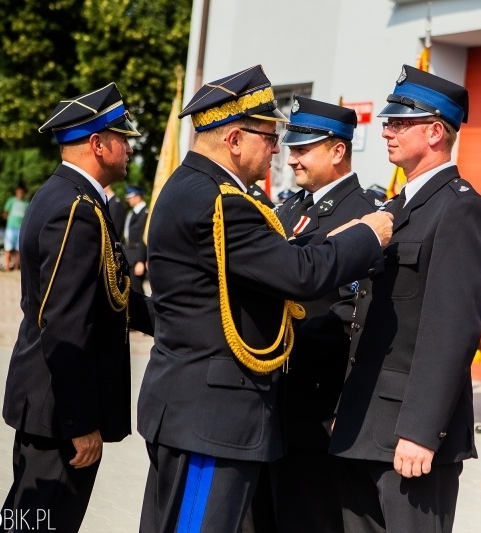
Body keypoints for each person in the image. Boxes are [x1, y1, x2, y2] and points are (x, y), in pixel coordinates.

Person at [136, 64, 392, 532]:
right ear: (234, 139)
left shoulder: (190, 186)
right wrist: (366, 236)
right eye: (269, 137)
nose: (278, 150)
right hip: (211, 417)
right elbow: (300, 274)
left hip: (196, 409)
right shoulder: (222, 201)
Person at [329, 64, 481, 533]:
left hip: (412, 436)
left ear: (435, 132)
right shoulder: (394, 207)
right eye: (388, 122)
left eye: (400, 123)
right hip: (364, 424)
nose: (387, 131)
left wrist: (422, 431)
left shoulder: (461, 209)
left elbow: (451, 332)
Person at [1, 83, 154, 531]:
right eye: (122, 139)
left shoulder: (68, 196)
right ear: (98, 144)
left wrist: (184, 322)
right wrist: (79, 420)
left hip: (53, 406)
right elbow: (65, 323)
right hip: (58, 414)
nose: (130, 149)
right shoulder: (76, 208)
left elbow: (113, 294)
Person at [267, 96, 381, 533]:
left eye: (302, 149)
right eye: (291, 148)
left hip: (319, 400)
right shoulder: (289, 208)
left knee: (310, 515)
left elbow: (355, 313)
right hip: (276, 394)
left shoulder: (365, 214)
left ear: (337, 150)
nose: (291, 158)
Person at [124, 185, 149, 294]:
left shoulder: (145, 214)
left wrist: (140, 260)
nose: (128, 200)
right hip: (129, 255)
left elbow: (144, 238)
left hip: (137, 257)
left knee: (136, 290)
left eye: (130, 197)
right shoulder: (131, 213)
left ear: (138, 196)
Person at [2, 182, 28, 270]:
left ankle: (16, 268)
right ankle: (7, 267)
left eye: (21, 192)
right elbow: (5, 213)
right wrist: (9, 220)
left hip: (20, 229)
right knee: (8, 248)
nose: (20, 194)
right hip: (11, 227)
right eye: (18, 192)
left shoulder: (26, 203)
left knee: (19, 250)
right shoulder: (11, 201)